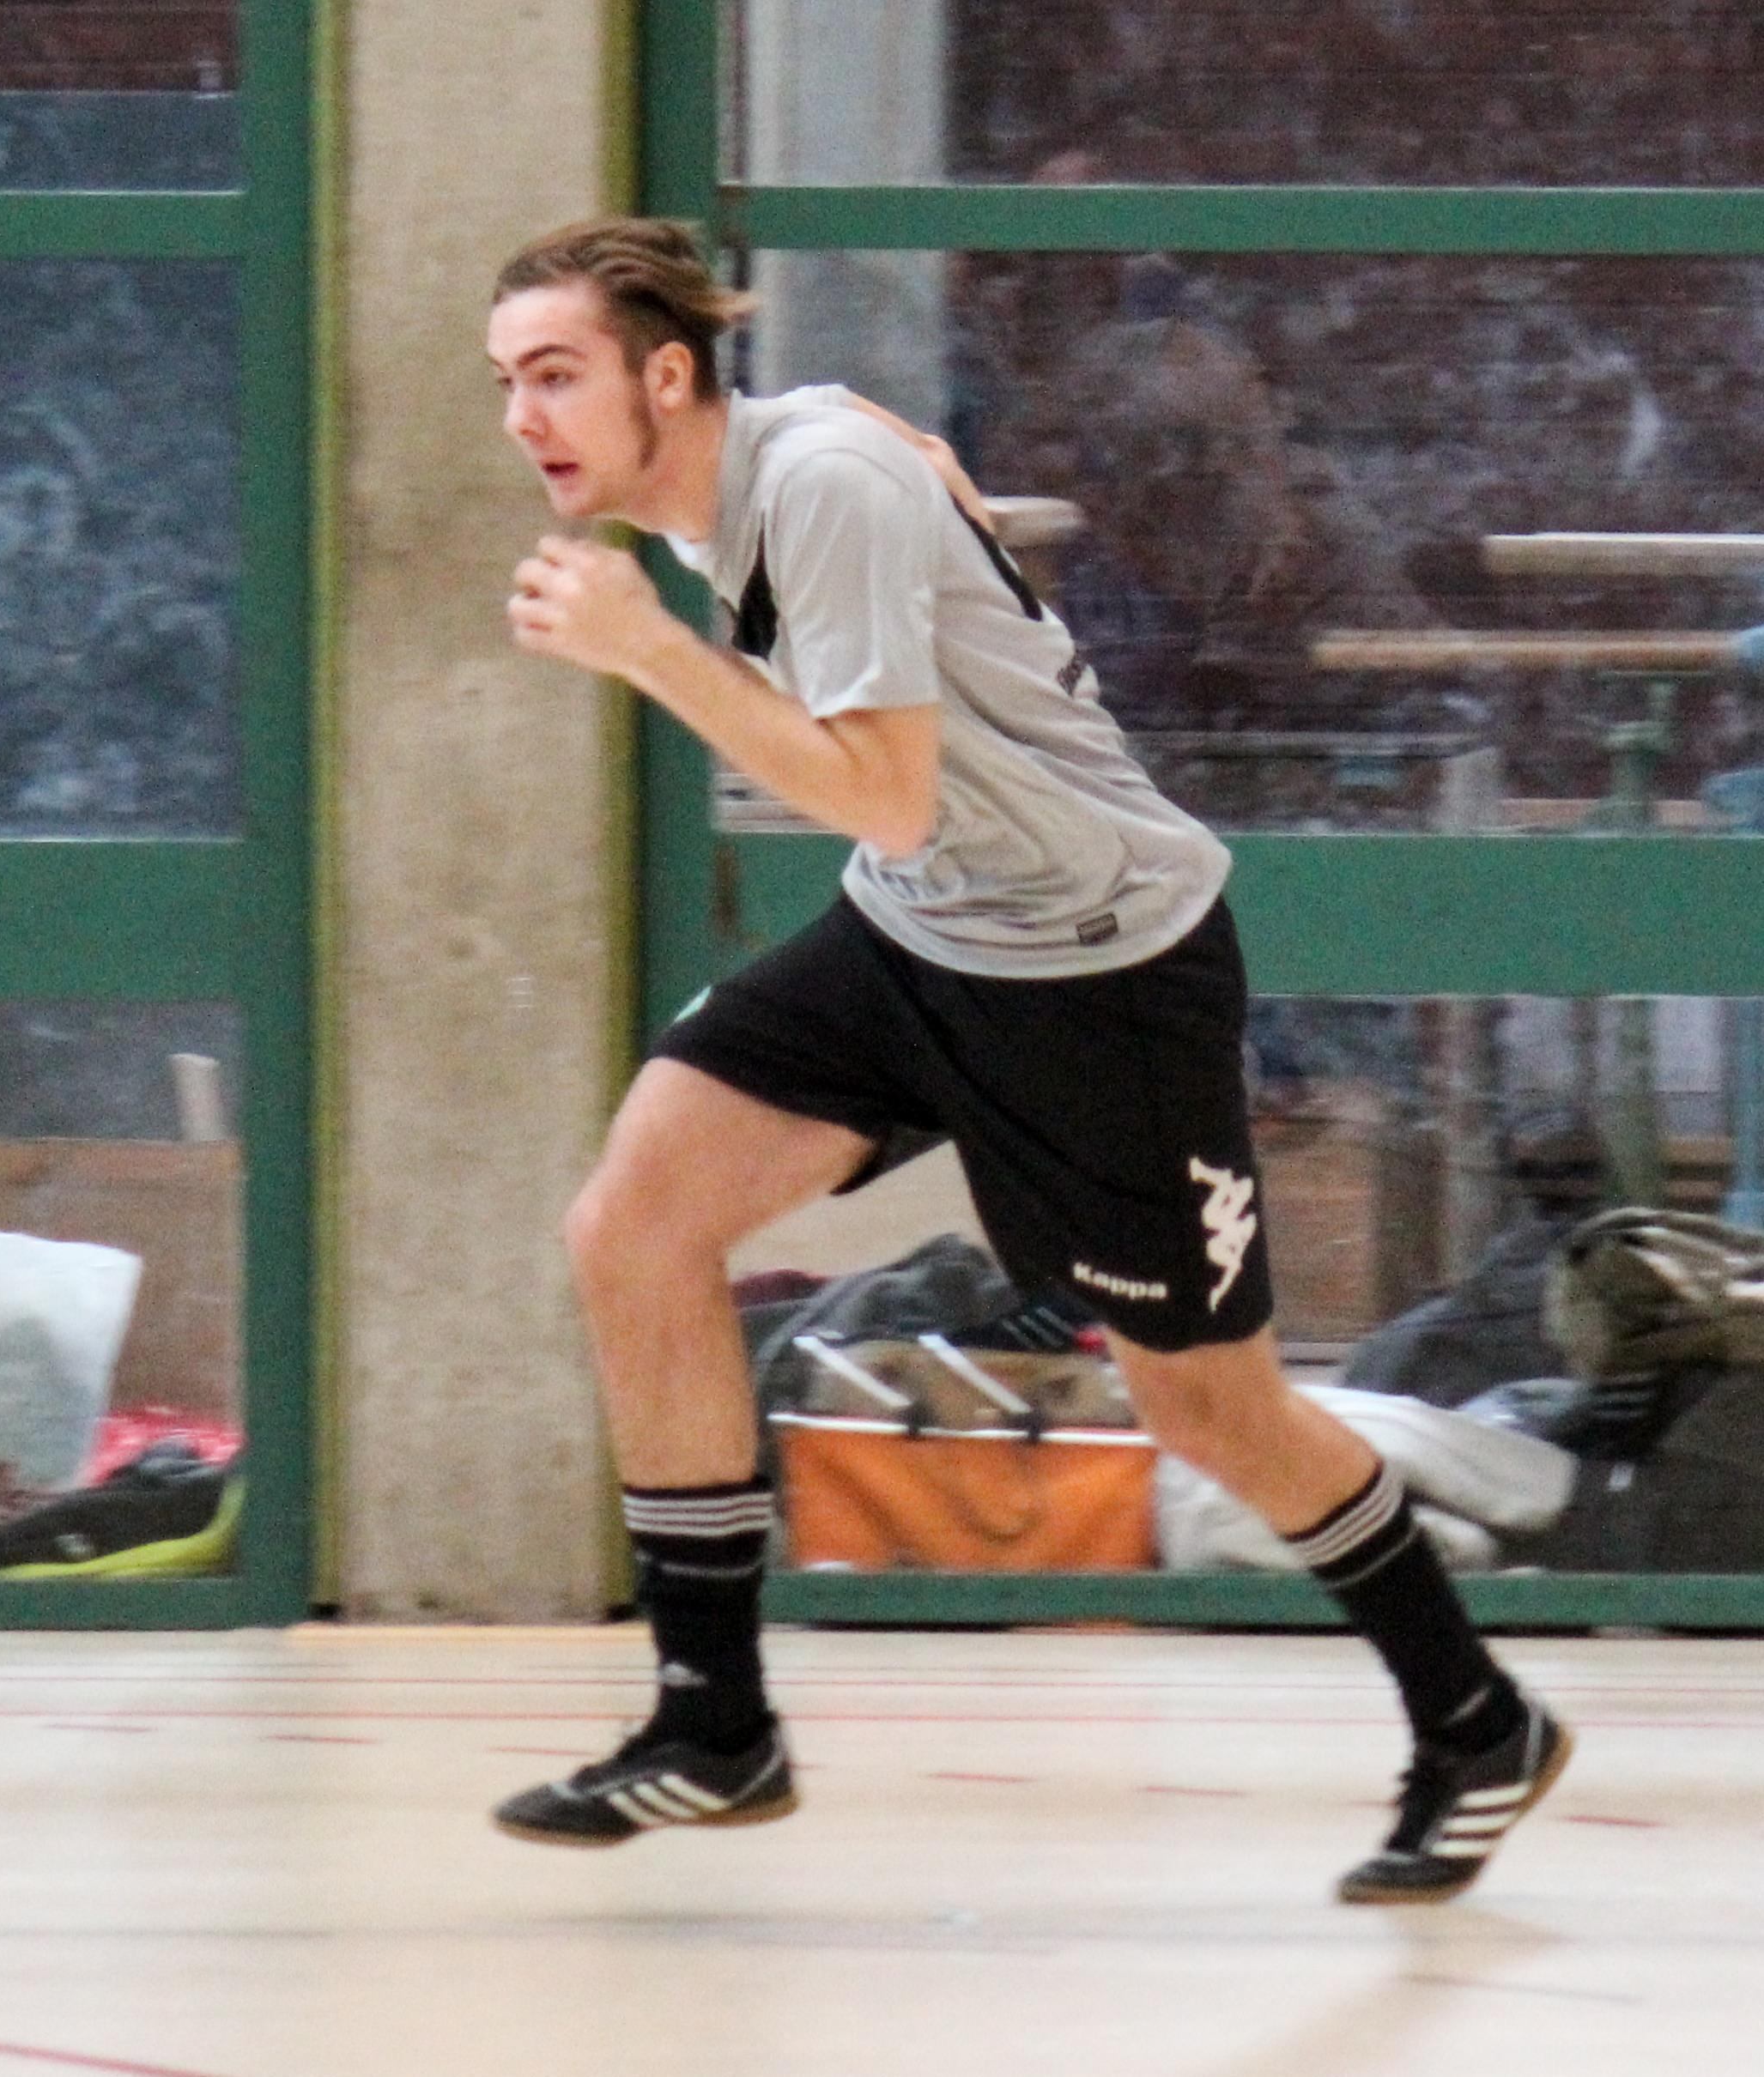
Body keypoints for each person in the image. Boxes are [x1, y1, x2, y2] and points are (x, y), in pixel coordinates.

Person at [478, 217, 1567, 1904]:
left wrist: (650, 652)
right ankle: (714, 1721)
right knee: (634, 1227)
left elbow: (884, 790)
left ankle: (1475, 1717)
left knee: (1208, 1407)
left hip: (1095, 968)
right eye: (505, 383)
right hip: (918, 932)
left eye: (555, 375)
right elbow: (908, 488)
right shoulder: (745, 477)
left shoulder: (809, 488)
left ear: (666, 376)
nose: (522, 417)